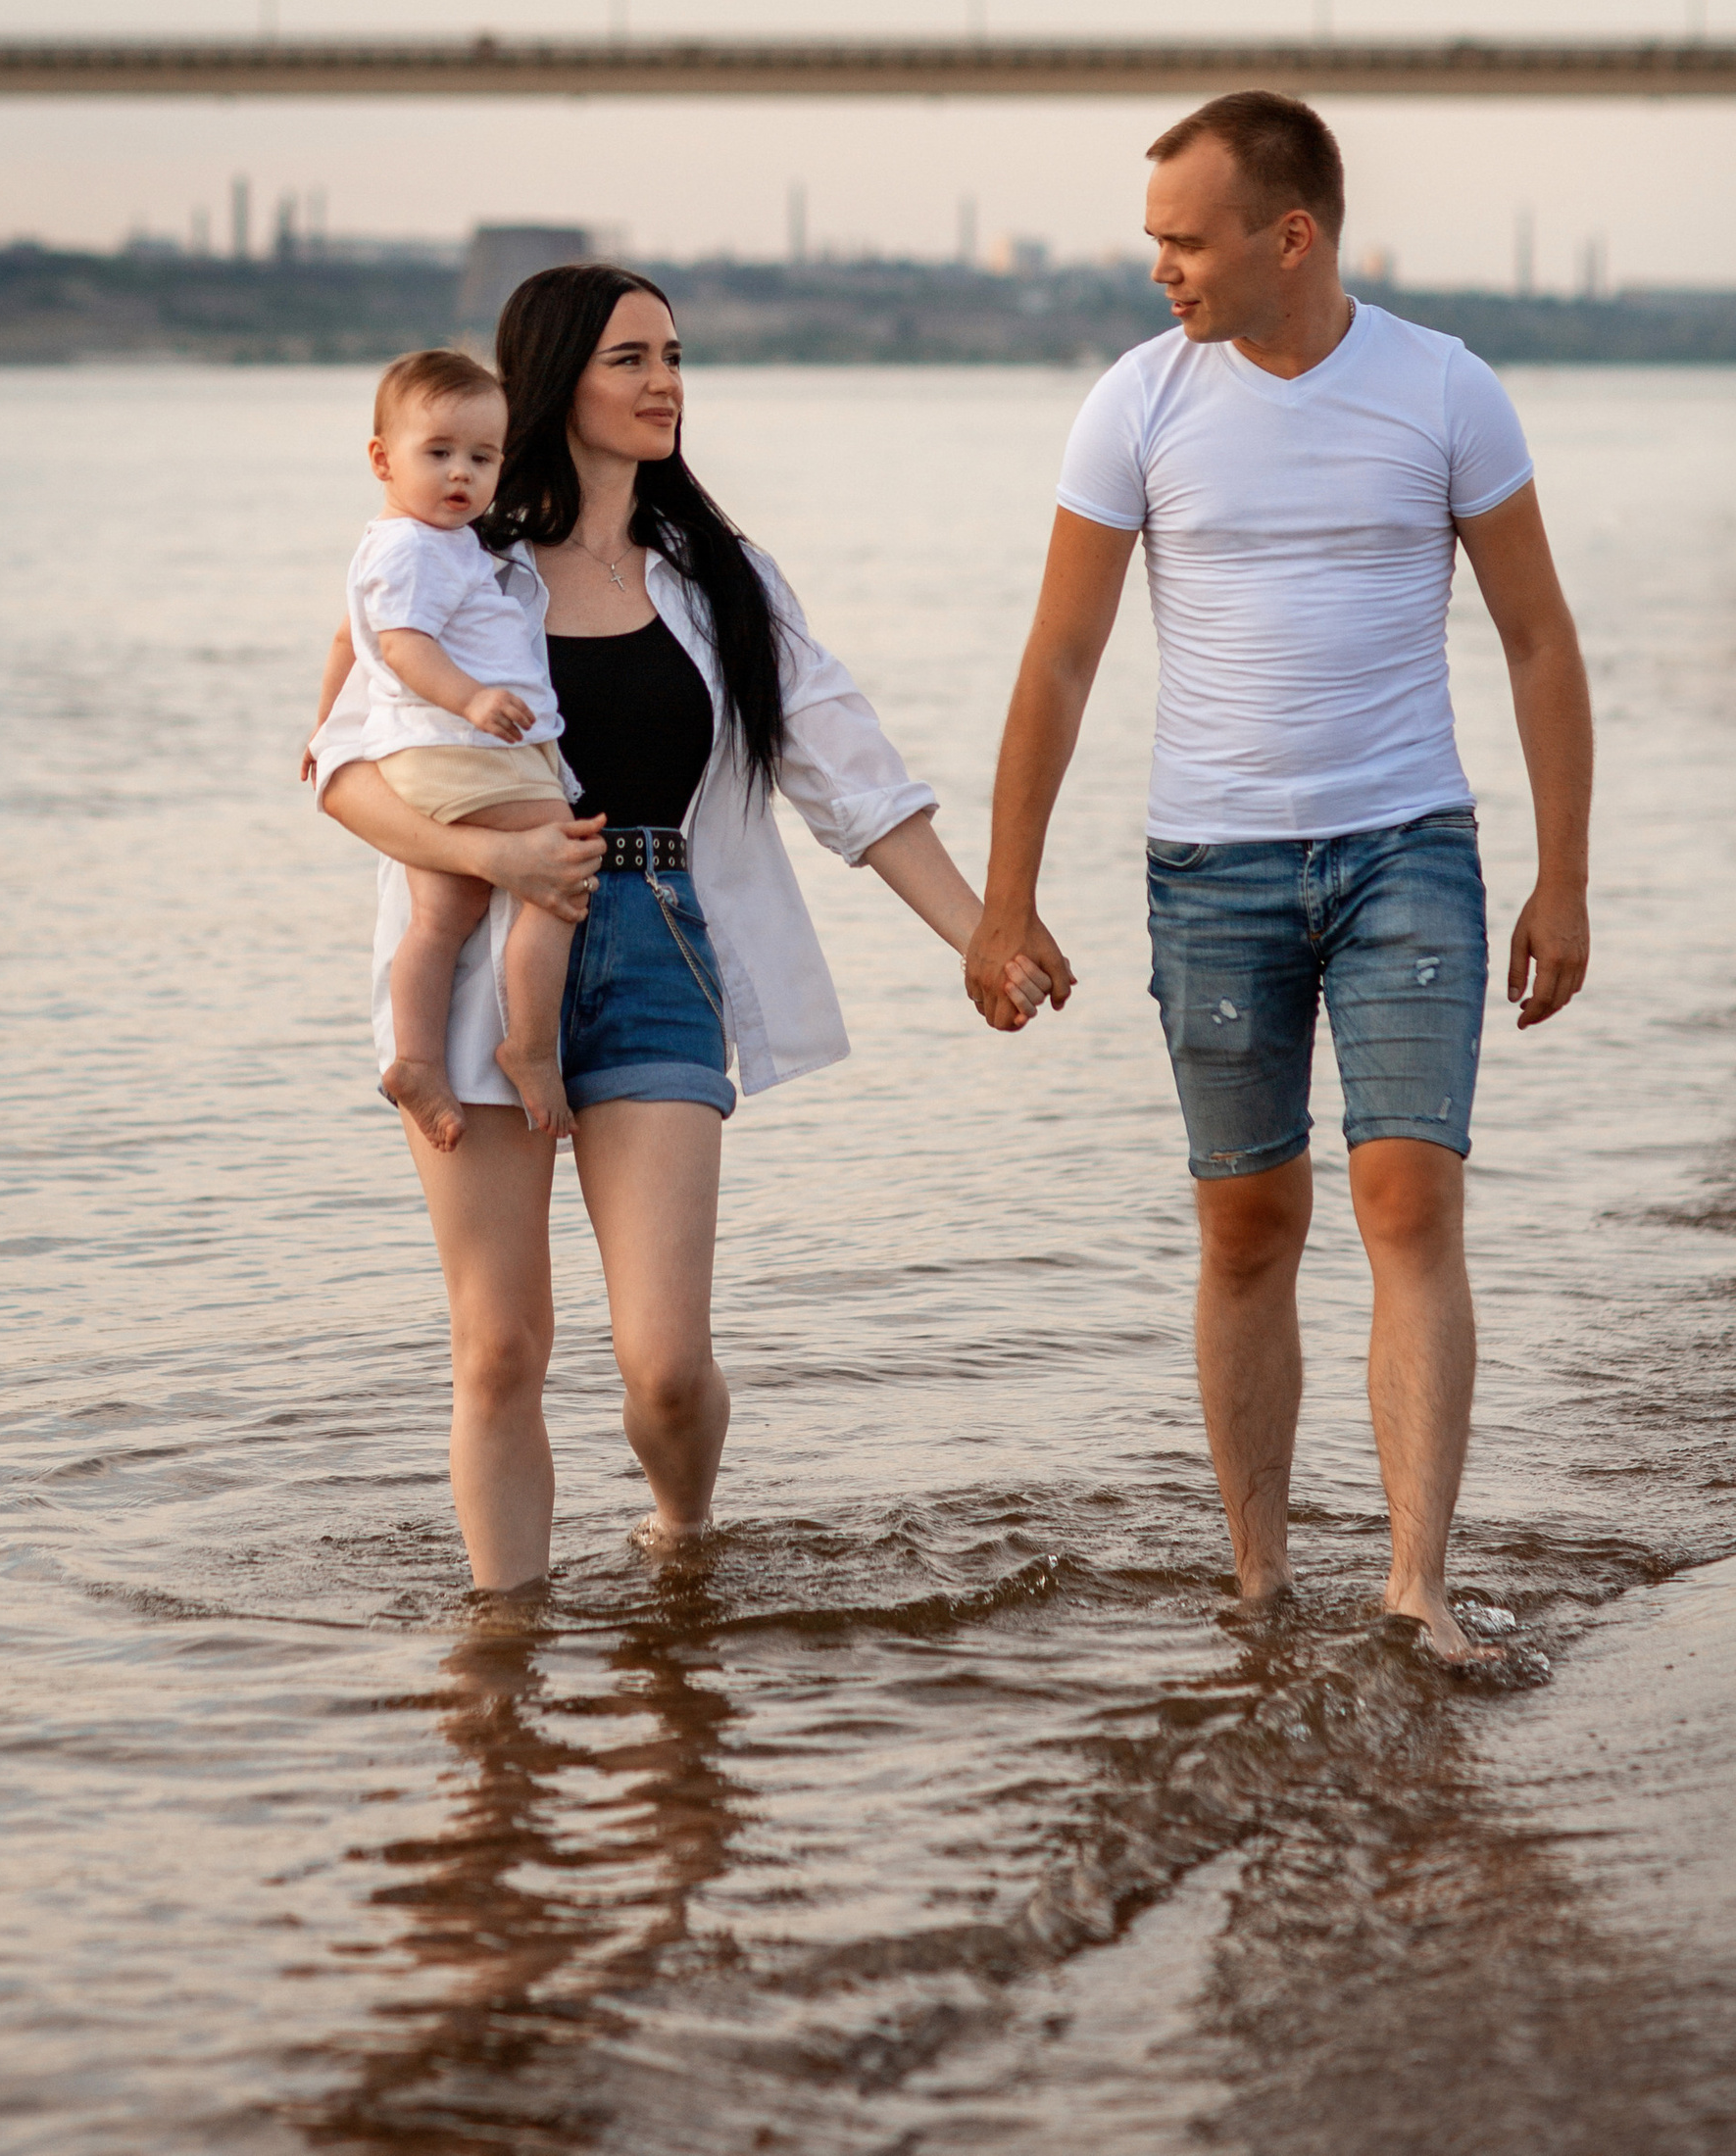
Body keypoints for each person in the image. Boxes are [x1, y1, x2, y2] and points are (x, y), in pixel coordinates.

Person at [967, 93, 1593, 1663]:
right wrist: (1003, 895)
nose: (1163, 269)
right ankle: (1256, 1583)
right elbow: (1059, 659)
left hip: (1407, 853)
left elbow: (1538, 640)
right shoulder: (1138, 402)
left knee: (1409, 1200)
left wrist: (1562, 877)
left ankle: (1415, 1587)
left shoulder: (1446, 390)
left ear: (1288, 236)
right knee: (1248, 1225)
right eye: (1155, 239)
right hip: (1214, 865)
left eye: (1187, 239)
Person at [313, 264, 1048, 1591]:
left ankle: (683, 1542)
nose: (665, 383)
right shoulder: (446, 554)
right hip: (480, 958)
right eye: (629, 359)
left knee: (660, 1366)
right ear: (556, 382)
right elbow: (334, 768)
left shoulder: (722, 578)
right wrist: (500, 856)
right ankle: (503, 1659)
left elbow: (855, 778)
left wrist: (981, 937)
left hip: (657, 945)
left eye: (673, 355)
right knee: (500, 1349)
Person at [313, 348, 580, 1154]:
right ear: (381, 459)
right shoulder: (416, 550)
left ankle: (415, 1059)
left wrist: (324, 725)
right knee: (564, 867)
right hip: (461, 747)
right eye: (439, 454)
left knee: (440, 916)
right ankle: (529, 1046)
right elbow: (398, 648)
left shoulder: (418, 542)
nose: (461, 475)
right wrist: (472, 697)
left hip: (431, 753)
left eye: (482, 457)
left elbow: (344, 639)